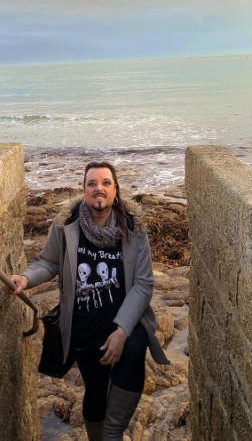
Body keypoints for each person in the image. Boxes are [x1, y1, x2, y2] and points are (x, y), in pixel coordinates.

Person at [10, 162, 169, 441]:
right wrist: (25, 278)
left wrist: (122, 330)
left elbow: (144, 283)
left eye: (106, 183)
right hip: (84, 328)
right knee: (95, 392)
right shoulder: (66, 224)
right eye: (92, 183)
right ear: (83, 190)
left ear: (116, 190)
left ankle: (113, 433)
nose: (99, 188)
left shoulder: (133, 228)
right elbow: (48, 262)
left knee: (133, 353)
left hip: (123, 321)